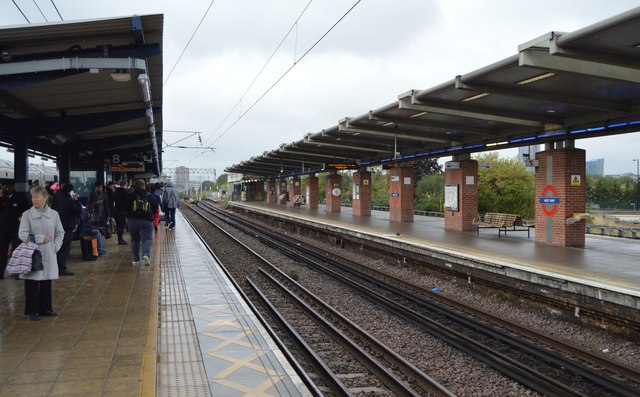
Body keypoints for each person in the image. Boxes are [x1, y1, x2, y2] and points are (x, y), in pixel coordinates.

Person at [18, 185, 65, 321]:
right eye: (33, 197)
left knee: (46, 282)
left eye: (37, 197)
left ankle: (46, 308)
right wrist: (40, 238)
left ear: (45, 198)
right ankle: (32, 311)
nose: (35, 200)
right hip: (33, 253)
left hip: (49, 252)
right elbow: (22, 235)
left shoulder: (54, 214)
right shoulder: (27, 215)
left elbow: (60, 232)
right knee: (32, 283)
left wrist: (55, 246)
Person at [0, 183, 31, 280]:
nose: (7, 188)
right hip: (3, 230)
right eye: (5, 186)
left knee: (17, 251)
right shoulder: (3, 198)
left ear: (13, 187)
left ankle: (18, 273)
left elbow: (27, 210)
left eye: (9, 186)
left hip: (15, 229)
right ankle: (0, 273)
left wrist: (21, 218)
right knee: (1, 252)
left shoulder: (20, 198)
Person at [125, 179, 158, 266]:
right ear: (144, 186)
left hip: (132, 221)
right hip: (146, 221)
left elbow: (125, 207)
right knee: (147, 239)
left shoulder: (130, 195)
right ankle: (146, 254)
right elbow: (155, 208)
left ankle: (136, 260)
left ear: (135, 186)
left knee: (135, 240)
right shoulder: (150, 196)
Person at [51, 184, 82, 276]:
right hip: (67, 227)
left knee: (57, 248)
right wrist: (76, 201)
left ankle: (54, 268)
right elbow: (78, 210)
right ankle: (61, 269)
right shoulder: (70, 201)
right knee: (64, 249)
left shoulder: (57, 199)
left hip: (56, 227)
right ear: (70, 192)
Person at [113, 180, 130, 245]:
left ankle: (119, 239)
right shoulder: (125, 192)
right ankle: (120, 240)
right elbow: (126, 202)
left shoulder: (116, 191)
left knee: (118, 225)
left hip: (116, 210)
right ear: (125, 185)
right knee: (122, 226)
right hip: (122, 211)